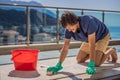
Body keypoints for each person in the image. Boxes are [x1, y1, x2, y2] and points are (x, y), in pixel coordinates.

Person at [46, 11, 118, 75]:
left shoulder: (88, 22)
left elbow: (92, 45)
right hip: (88, 39)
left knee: (96, 63)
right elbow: (65, 47)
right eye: (67, 28)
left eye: (69, 27)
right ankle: (100, 51)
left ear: (75, 21)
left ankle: (111, 50)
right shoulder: (68, 29)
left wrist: (91, 64)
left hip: (102, 36)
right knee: (79, 59)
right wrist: (58, 65)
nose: (69, 30)